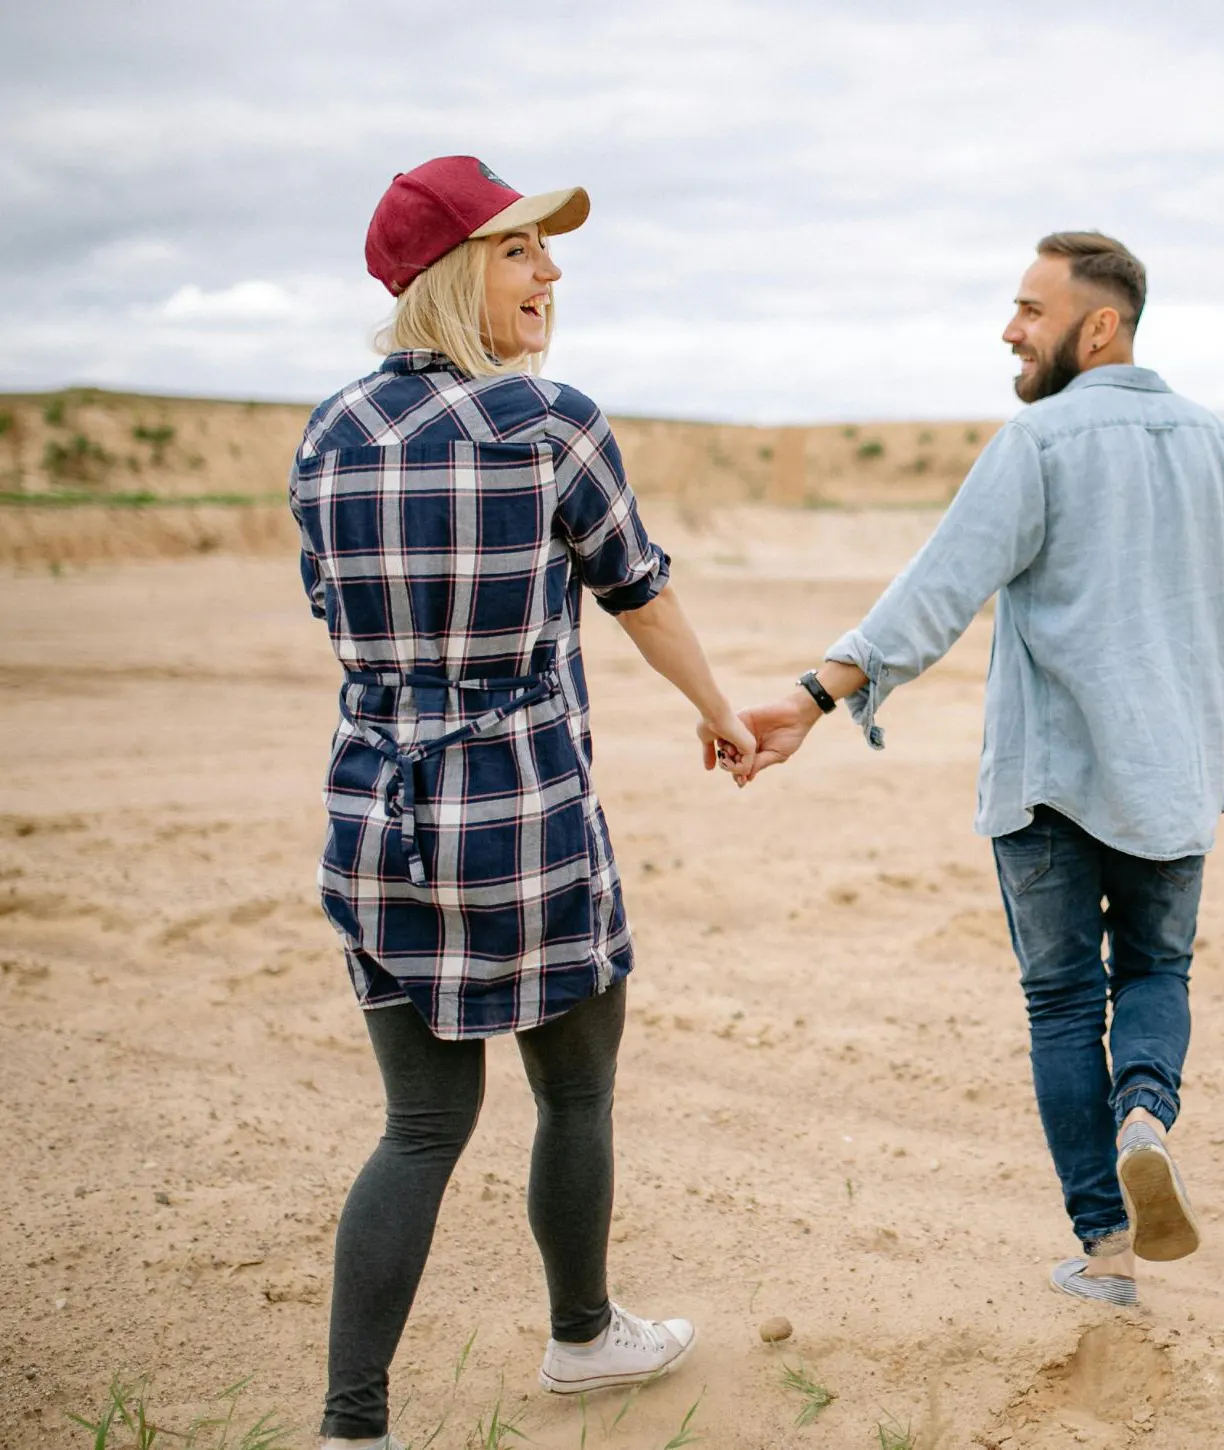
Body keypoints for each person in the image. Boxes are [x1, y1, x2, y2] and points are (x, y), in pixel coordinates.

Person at [736, 231, 1224, 1307]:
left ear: (1099, 325)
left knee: (1065, 1004)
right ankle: (1144, 1117)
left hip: (1047, 783)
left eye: (1031, 310)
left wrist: (811, 696)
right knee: (1156, 973)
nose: (1010, 330)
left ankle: (1107, 1250)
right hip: (1168, 778)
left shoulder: (1036, 444)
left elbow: (937, 589)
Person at [293, 156, 755, 1450]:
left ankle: (352, 1424)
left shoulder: (328, 432)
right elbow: (637, 589)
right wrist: (719, 711)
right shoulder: (551, 423)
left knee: (421, 1123)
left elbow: (331, 606)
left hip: (376, 813)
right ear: (453, 274)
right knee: (575, 1092)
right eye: (518, 250)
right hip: (524, 813)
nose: (550, 271)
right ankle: (582, 1336)